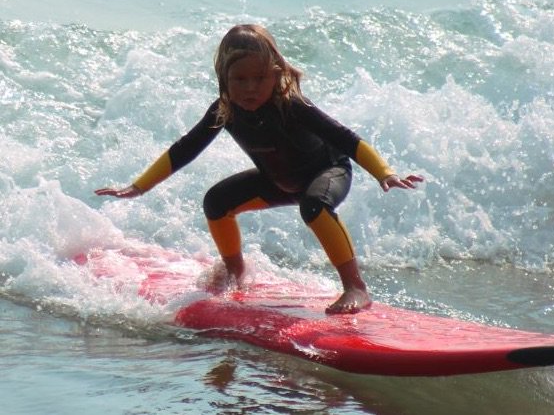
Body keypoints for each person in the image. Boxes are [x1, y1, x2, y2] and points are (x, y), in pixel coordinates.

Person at [96, 24, 422, 314]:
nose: (251, 88)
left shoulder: (291, 105)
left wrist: (384, 172)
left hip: (327, 172)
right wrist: (139, 186)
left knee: (314, 206)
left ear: (277, 75)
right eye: (240, 79)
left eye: (260, 78)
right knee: (217, 202)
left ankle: (355, 287)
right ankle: (234, 271)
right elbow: (185, 149)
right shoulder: (224, 111)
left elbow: (346, 139)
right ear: (223, 78)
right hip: (278, 181)